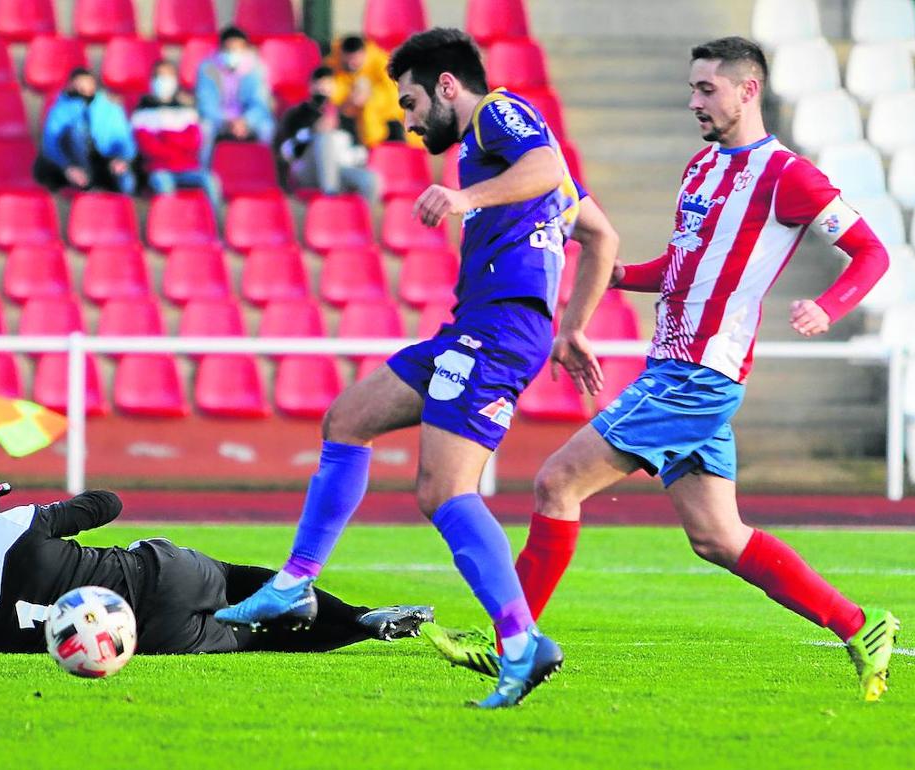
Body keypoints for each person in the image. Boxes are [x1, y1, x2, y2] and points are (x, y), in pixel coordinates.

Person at [424, 37, 899, 703]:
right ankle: (863, 625)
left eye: (707, 89)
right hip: (677, 367)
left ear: (748, 90)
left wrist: (828, 304)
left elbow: (871, 253)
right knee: (717, 537)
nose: (694, 101)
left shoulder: (788, 175)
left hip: (695, 376)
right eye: (692, 88)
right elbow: (682, 271)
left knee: (557, 482)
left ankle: (512, 642)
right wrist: (615, 274)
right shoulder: (701, 168)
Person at [215, 28, 621, 710]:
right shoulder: (494, 156)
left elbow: (549, 167)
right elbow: (600, 235)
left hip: (497, 332)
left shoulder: (497, 113)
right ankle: (294, 581)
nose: (405, 121)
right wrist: (573, 326)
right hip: (475, 329)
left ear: (447, 87)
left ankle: (522, 644)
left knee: (443, 491)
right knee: (347, 419)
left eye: (408, 103)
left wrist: (468, 199)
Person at [0, 485, 433, 655]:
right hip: (161, 573)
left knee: (263, 639)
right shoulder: (7, 530)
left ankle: (361, 634)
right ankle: (360, 616)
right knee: (252, 582)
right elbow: (108, 503)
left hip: (149, 635)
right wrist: (0, 529)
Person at [275, 66, 380, 203]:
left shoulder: (343, 115)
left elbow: (360, 153)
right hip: (308, 171)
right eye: (319, 84)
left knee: (370, 180)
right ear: (311, 87)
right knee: (325, 138)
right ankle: (330, 200)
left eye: (327, 84)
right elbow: (286, 152)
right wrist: (313, 131)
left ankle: (359, 220)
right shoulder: (297, 114)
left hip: (339, 170)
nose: (323, 89)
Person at [131, 59, 223, 212]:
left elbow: (194, 142)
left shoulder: (186, 111)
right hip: (160, 169)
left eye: (168, 76)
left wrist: (165, 136)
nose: (164, 80)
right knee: (164, 184)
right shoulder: (142, 114)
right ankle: (172, 225)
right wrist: (178, 141)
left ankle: (215, 226)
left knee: (211, 181)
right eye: (159, 76)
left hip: (188, 168)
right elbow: (149, 148)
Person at [33, 68, 137, 195]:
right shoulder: (60, 109)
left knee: (126, 184)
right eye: (78, 85)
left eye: (86, 83)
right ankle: (86, 183)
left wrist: (123, 158)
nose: (83, 88)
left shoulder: (110, 107)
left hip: (106, 159)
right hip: (76, 161)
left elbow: (124, 138)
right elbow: (50, 142)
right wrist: (67, 167)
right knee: (77, 132)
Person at [195, 26, 276, 167]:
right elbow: (206, 104)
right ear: (220, 49)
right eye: (228, 49)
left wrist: (246, 121)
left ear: (245, 50)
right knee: (204, 129)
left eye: (238, 49)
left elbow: (260, 103)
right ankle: (203, 174)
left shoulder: (256, 68)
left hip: (246, 120)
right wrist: (227, 121)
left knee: (267, 129)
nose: (233, 53)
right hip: (219, 120)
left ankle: (268, 173)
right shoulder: (207, 68)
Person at [326, 35, 408, 148]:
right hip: (349, 115)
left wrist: (369, 95)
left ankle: (374, 146)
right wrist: (349, 99)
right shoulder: (333, 63)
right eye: (347, 61)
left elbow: (393, 92)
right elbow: (331, 90)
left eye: (355, 60)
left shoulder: (381, 62)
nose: (351, 64)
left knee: (370, 107)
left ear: (364, 54)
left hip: (383, 118)